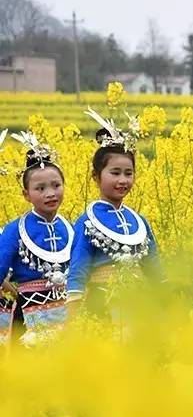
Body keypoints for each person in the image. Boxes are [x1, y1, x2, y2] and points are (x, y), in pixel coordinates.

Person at [67, 104, 162, 330]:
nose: (123, 180)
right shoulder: (87, 222)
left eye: (129, 173)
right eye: (115, 173)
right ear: (96, 177)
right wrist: (71, 318)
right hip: (102, 305)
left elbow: (153, 264)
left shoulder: (139, 221)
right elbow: (78, 269)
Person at [0, 131, 72, 347]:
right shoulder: (15, 231)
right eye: (40, 188)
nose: (50, 193)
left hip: (68, 318)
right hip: (29, 320)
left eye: (56, 186)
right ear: (26, 194)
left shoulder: (70, 228)